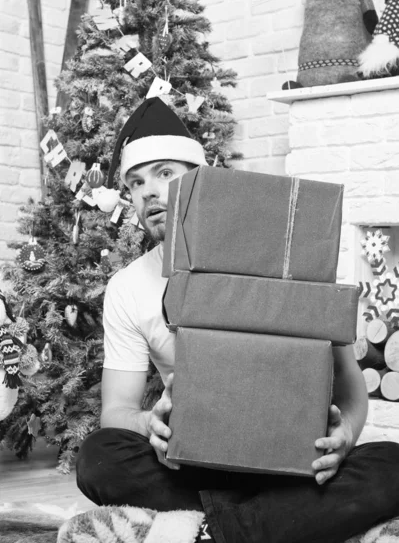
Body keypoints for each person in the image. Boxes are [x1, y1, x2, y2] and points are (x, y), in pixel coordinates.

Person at [75, 98, 399, 543]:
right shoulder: (127, 287)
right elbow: (115, 411)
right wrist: (149, 424)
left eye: (165, 173)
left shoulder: (282, 258)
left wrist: (344, 437)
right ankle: (266, 526)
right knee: (98, 456)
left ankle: (213, 529)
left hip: (289, 456)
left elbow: (350, 388)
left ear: (201, 181)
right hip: (192, 459)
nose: (149, 190)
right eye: (135, 182)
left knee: (392, 465)